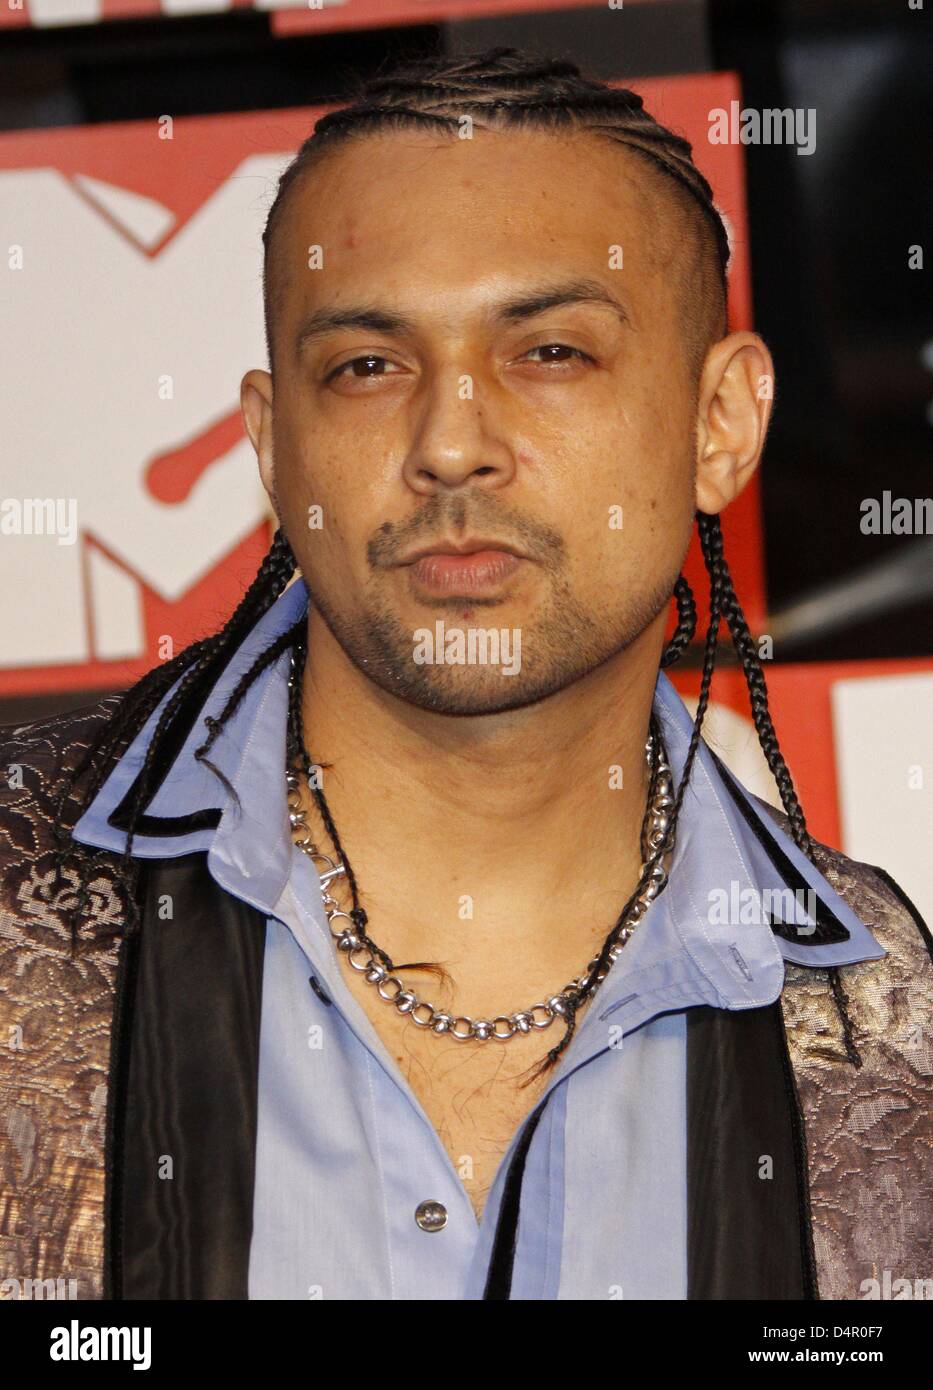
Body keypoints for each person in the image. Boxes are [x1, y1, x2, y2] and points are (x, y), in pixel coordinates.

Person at [1, 46, 930, 1302]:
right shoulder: (19, 907)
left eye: (550, 352)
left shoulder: (880, 1016)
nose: (449, 444)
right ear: (275, 449)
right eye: (369, 366)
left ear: (721, 423)